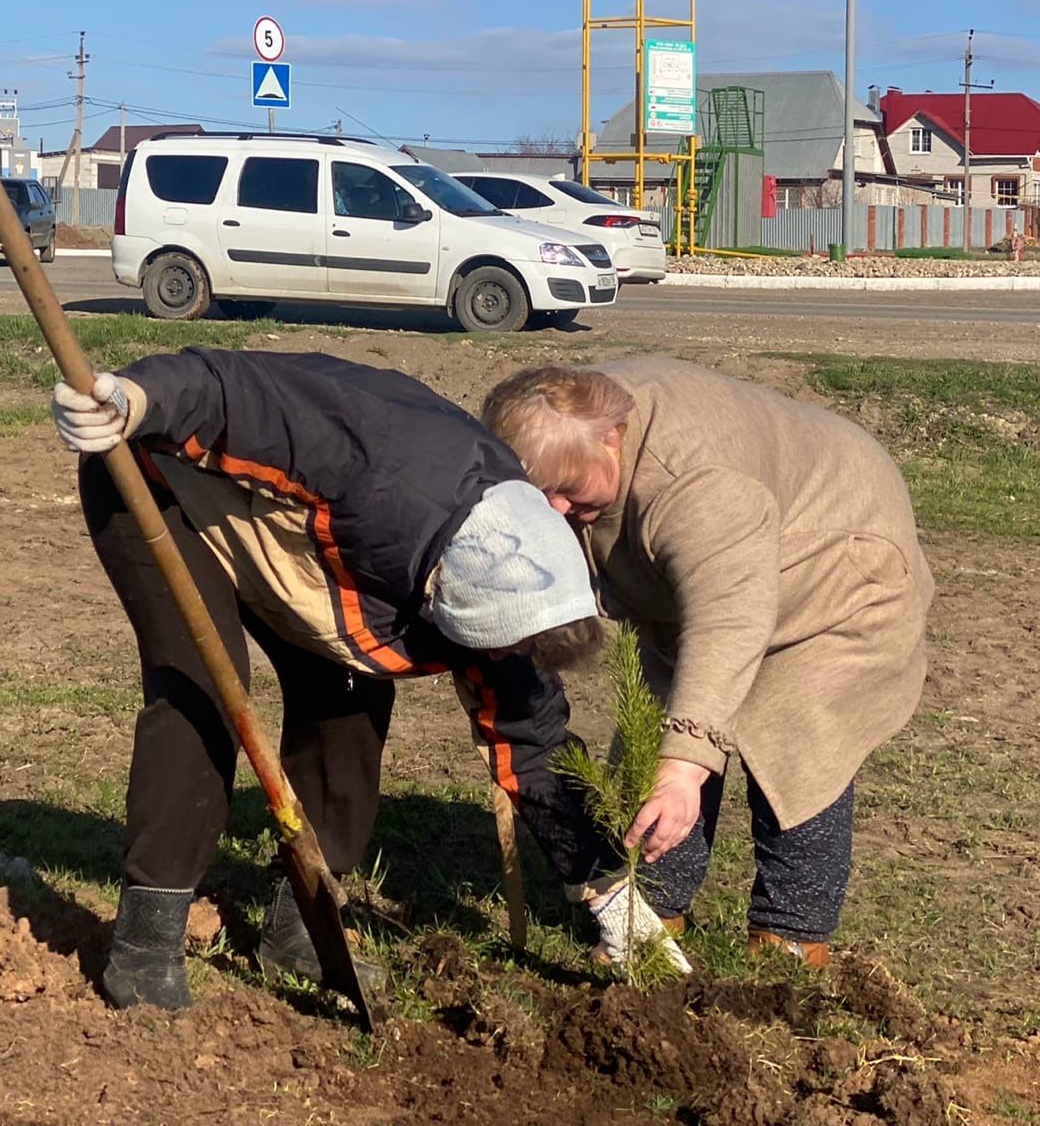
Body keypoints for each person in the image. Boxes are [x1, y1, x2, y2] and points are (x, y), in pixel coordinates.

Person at [52, 347, 685, 1010]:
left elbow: (531, 737)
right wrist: (136, 398)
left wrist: (612, 894)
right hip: (162, 482)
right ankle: (146, 941)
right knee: (205, 689)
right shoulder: (370, 458)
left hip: (301, 542)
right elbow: (232, 389)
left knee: (349, 694)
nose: (497, 660)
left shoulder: (516, 561)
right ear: (449, 602)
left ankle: (299, 927)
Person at [481, 359, 933, 967]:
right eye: (544, 497)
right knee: (659, 742)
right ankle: (654, 918)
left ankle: (789, 940)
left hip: (836, 570)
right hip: (706, 583)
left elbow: (728, 620)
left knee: (800, 746)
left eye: (568, 491)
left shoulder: (695, 480)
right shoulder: (564, 427)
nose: (557, 509)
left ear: (612, 436)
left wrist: (687, 764)